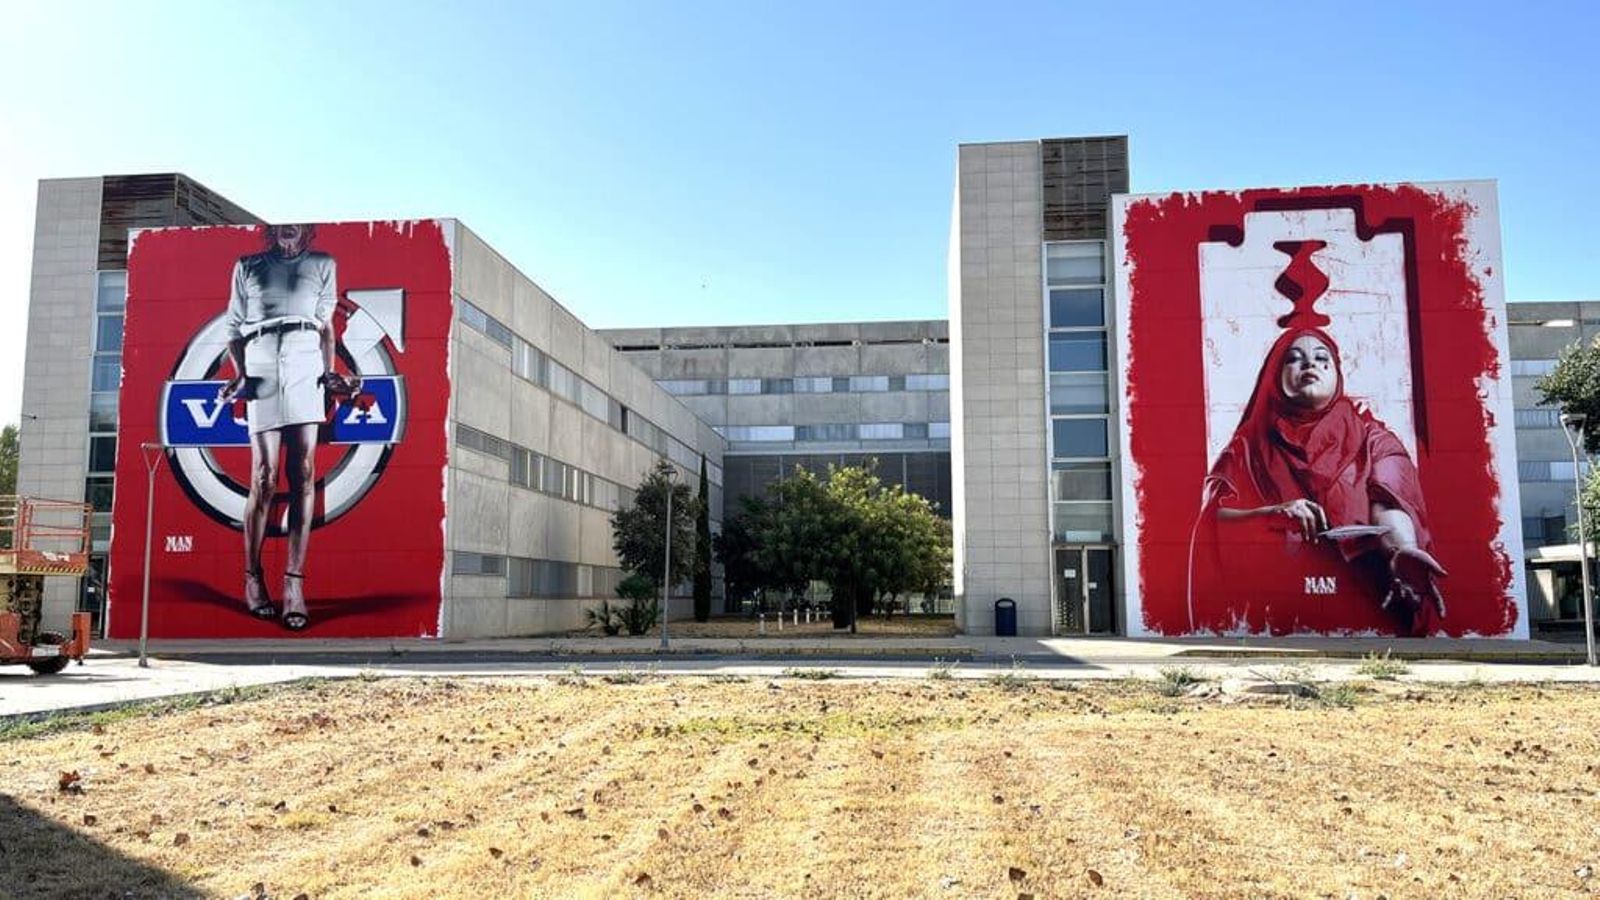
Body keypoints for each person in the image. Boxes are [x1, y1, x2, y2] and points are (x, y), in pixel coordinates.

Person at [1188, 327, 1446, 636]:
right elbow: (1213, 520)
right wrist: (1272, 514)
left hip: (1367, 599)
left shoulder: (1373, 439)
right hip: (1275, 613)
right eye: (1294, 359)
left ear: (1337, 373)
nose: (1310, 365)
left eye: (1322, 359)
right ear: (1275, 375)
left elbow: (1389, 500)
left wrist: (1401, 549)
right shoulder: (1247, 447)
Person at [217, 224, 356, 631]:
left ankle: (294, 583)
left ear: (306, 231)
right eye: (280, 225)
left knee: (305, 473)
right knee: (263, 475)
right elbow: (232, 329)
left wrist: (330, 374)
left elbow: (326, 325)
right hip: (259, 357)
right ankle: (252, 576)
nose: (287, 230)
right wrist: (241, 372)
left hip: (304, 357)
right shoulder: (247, 265)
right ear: (273, 231)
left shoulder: (322, 264)